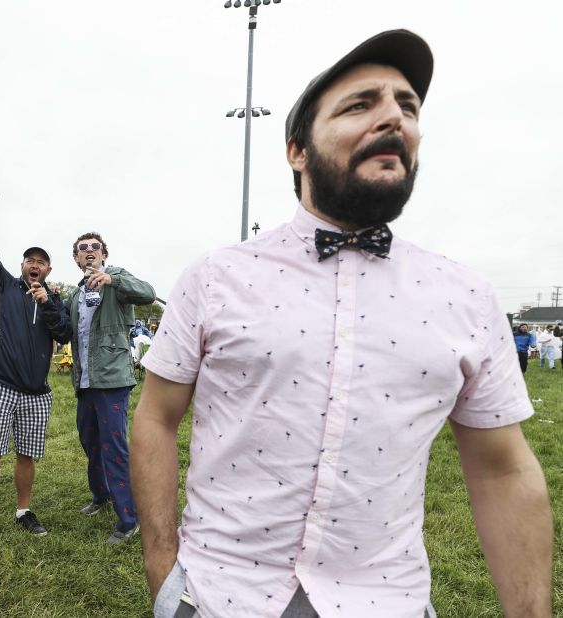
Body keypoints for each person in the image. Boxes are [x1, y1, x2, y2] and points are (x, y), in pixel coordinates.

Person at [132, 30, 551, 618]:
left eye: (407, 106)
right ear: (297, 151)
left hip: (391, 602)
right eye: (361, 104)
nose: (394, 118)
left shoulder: (468, 297)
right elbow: (155, 415)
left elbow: (504, 468)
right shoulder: (215, 277)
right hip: (217, 597)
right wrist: (162, 568)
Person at [0, 188, 72, 544]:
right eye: (30, 259)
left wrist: (47, 303)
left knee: (27, 456)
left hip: (36, 393)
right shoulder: (4, 286)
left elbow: (65, 332)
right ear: (23, 265)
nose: (35, 264)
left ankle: (23, 511)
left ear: (48, 270)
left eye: (41, 261)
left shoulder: (53, 301)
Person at [67, 232, 156, 543]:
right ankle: (100, 496)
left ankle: (129, 519)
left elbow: (148, 293)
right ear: (76, 258)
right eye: (83, 249)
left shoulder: (116, 278)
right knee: (91, 443)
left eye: (95, 247)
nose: (89, 252)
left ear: (103, 255)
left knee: (114, 448)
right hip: (85, 383)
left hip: (113, 380)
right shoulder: (76, 295)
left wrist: (112, 280)